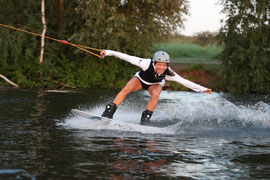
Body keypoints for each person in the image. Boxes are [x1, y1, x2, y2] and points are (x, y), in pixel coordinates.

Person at [100, 50, 212, 125]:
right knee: (126, 89)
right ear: (154, 63)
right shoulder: (145, 63)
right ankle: (109, 112)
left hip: (154, 85)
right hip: (140, 80)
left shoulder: (169, 73)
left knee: (156, 94)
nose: (162, 67)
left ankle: (145, 120)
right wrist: (108, 52)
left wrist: (203, 89)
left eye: (164, 65)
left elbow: (184, 82)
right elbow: (126, 57)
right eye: (159, 64)